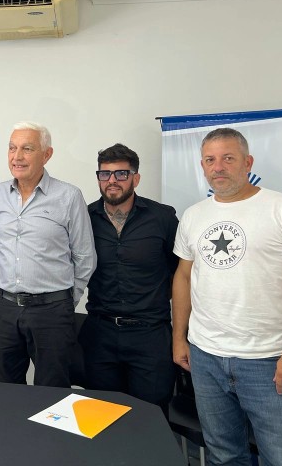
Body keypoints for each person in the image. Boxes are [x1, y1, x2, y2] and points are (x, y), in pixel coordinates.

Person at [172, 127, 282, 466]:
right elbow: (183, 277)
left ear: (248, 162)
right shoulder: (194, 215)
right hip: (205, 356)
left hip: (269, 361)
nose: (218, 167)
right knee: (223, 456)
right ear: (202, 166)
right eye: (210, 160)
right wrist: (179, 337)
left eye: (228, 158)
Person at [0, 122, 96, 387]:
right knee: (4, 388)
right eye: (12, 148)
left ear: (47, 154)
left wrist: (65, 301)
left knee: (52, 390)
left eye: (27, 149)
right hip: (4, 308)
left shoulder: (68, 196)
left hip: (51, 311)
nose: (17, 156)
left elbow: (85, 257)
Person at [83, 143, 178, 412]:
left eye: (121, 174)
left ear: (135, 178)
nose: (112, 180)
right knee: (101, 416)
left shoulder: (163, 217)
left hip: (150, 334)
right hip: (100, 333)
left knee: (151, 416)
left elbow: (181, 273)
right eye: (105, 174)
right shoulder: (84, 217)